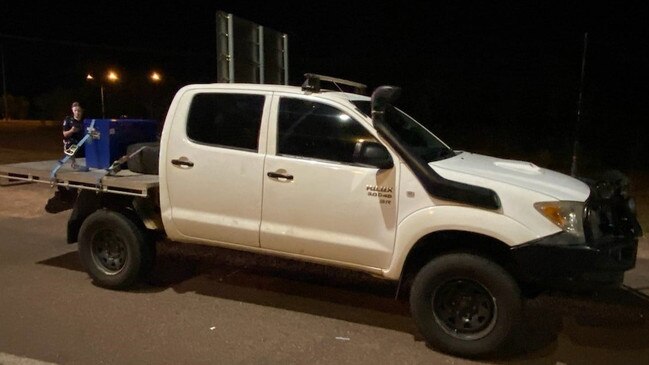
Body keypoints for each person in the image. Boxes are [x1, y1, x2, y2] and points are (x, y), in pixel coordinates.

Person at [62, 101, 85, 168]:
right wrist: (71, 131)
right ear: (72, 110)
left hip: (82, 142)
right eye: (75, 110)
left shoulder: (85, 121)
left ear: (82, 111)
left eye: (79, 111)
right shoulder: (68, 120)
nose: (77, 113)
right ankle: (74, 163)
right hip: (72, 143)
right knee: (72, 143)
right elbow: (65, 134)